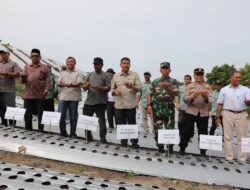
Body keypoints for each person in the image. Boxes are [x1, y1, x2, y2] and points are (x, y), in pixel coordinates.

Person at [216, 71, 250, 162]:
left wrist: (248, 102)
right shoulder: (224, 90)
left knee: (242, 137)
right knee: (227, 136)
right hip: (228, 114)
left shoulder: (246, 89)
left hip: (241, 114)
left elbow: (249, 101)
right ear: (231, 78)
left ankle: (242, 158)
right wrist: (217, 117)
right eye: (236, 77)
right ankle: (229, 157)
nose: (238, 79)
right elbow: (220, 104)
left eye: (239, 77)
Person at [179, 68, 213, 157]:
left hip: (203, 112)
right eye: (197, 74)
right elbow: (185, 99)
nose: (199, 76)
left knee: (203, 132)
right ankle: (182, 148)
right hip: (191, 111)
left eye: (201, 74)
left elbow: (211, 99)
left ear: (203, 75)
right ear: (194, 76)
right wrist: (193, 96)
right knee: (186, 131)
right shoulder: (189, 86)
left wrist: (205, 97)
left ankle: (203, 152)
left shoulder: (207, 87)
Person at [147, 62, 179, 154]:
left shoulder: (174, 81)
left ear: (170, 70)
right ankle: (160, 146)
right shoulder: (155, 81)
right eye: (163, 68)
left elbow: (176, 93)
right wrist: (149, 105)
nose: (165, 70)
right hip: (157, 110)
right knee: (158, 129)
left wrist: (168, 88)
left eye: (166, 68)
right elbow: (150, 94)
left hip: (169, 110)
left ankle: (170, 147)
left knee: (170, 129)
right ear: (160, 70)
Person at [112, 57, 141, 148]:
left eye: (128, 63)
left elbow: (139, 88)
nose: (126, 65)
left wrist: (131, 86)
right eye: (124, 63)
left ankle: (134, 143)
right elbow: (112, 89)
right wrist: (114, 92)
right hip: (119, 105)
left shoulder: (135, 75)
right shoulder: (115, 76)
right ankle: (123, 142)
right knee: (121, 124)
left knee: (132, 124)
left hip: (131, 105)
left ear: (130, 65)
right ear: (120, 65)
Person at [21, 48, 50, 132]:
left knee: (40, 113)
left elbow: (48, 81)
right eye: (32, 56)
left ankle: (41, 131)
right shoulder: (26, 66)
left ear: (40, 57)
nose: (34, 57)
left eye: (36, 56)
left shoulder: (45, 67)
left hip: (40, 94)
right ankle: (28, 129)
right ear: (30, 57)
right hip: (28, 94)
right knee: (27, 113)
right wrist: (22, 78)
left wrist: (46, 91)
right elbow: (23, 81)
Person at [82, 57, 110, 143]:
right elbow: (84, 87)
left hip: (100, 103)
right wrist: (86, 86)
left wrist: (101, 88)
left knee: (101, 122)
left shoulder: (106, 75)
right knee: (87, 121)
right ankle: (88, 137)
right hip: (89, 102)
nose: (96, 66)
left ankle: (103, 138)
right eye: (95, 64)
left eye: (98, 64)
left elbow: (108, 88)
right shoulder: (89, 74)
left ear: (102, 65)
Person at [57, 56, 83, 138]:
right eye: (68, 62)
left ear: (75, 63)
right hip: (63, 97)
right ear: (66, 63)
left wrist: (70, 84)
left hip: (74, 98)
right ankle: (63, 132)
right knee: (61, 116)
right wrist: (60, 84)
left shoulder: (78, 73)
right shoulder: (62, 73)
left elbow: (79, 83)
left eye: (72, 61)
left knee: (73, 117)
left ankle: (73, 133)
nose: (70, 63)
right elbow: (58, 82)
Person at [0, 47, 21, 126]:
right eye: (1, 53)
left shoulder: (14, 63)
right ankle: (4, 123)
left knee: (11, 107)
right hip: (1, 89)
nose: (2, 55)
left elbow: (17, 73)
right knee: (2, 108)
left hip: (10, 90)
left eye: (4, 53)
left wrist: (6, 74)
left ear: (8, 54)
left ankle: (12, 125)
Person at [137, 71, 153, 136]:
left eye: (147, 75)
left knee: (152, 118)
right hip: (143, 103)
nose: (146, 76)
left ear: (150, 76)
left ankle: (153, 131)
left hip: (151, 104)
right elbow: (139, 94)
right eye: (145, 75)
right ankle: (145, 130)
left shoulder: (153, 84)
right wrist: (137, 103)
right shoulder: (141, 84)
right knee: (144, 118)